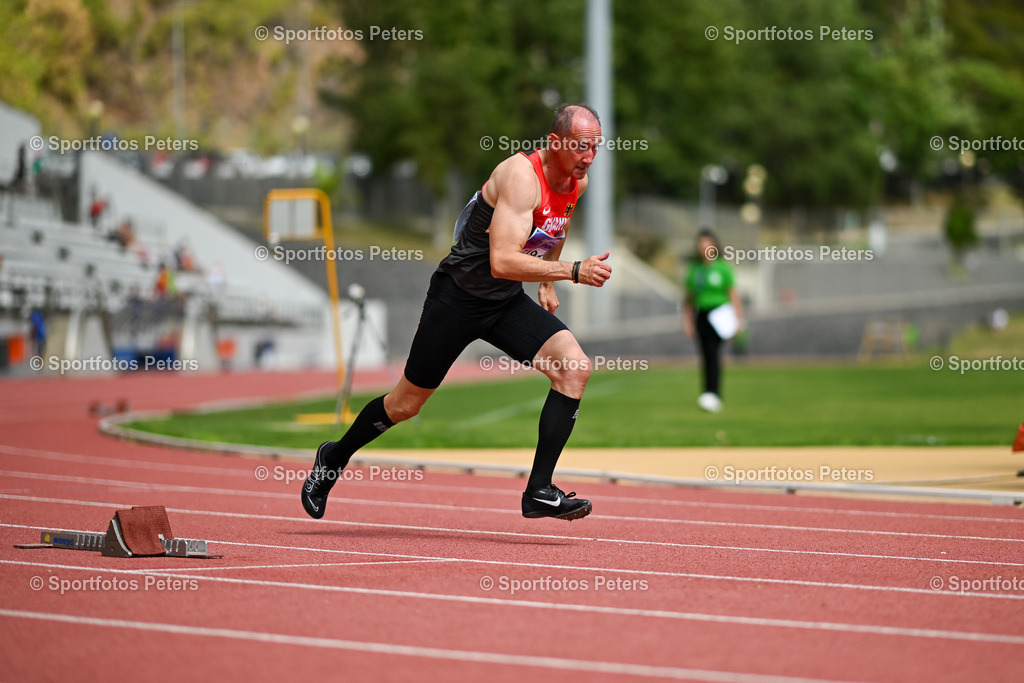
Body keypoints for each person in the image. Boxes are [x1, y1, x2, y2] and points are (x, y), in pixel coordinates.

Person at [302, 104, 611, 521]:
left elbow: (558, 225)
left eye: (595, 147)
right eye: (580, 147)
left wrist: (547, 281)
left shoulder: (577, 180)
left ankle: (539, 490)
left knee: (574, 368)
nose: (588, 157)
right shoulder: (520, 177)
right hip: (457, 299)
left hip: (503, 302)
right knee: (405, 404)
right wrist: (572, 270)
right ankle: (333, 457)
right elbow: (502, 260)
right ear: (555, 142)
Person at [683, 228, 743, 413]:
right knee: (706, 354)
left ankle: (713, 393)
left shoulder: (723, 268)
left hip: (720, 315)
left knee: (713, 352)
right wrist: (688, 321)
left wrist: (738, 318)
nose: (704, 247)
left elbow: (732, 294)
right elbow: (689, 297)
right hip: (703, 315)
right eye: (701, 244)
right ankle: (708, 393)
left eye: (707, 243)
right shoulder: (695, 269)